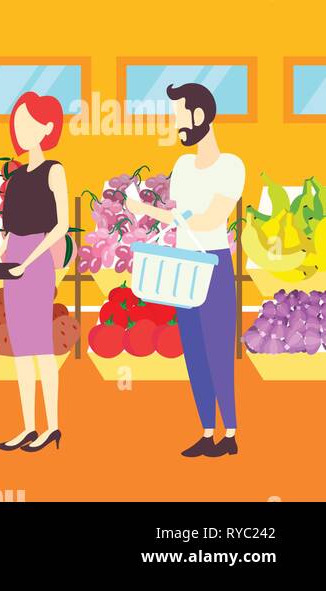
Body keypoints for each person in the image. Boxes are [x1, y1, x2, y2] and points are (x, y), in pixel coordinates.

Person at [126, 83, 242, 458]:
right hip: (183, 265)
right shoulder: (182, 166)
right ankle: (207, 431)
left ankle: (232, 433)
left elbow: (210, 218)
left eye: (178, 113)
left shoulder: (231, 166)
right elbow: (182, 216)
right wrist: (149, 210)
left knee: (219, 350)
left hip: (214, 263)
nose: (175, 121)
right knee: (194, 349)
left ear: (199, 115)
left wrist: (149, 211)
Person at [0, 92, 69, 453]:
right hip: (15, 258)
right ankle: (27, 426)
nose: (20, 129)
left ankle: (52, 426)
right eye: (17, 122)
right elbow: (9, 227)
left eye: (28, 122)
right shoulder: (16, 176)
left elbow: (61, 226)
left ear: (48, 127)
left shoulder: (55, 171)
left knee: (41, 348)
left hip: (38, 261)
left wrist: (28, 260)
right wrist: (1, 254)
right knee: (21, 349)